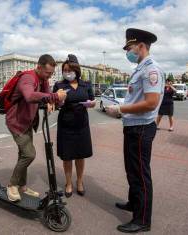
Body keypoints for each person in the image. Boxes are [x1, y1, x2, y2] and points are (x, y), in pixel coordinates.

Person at [106, 28, 164, 233]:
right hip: (133, 127)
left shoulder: (151, 70)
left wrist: (121, 108)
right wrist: (123, 111)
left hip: (141, 129)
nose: (128, 52)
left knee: (140, 174)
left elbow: (150, 103)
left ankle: (142, 219)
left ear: (141, 46)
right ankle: (134, 203)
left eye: (130, 47)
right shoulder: (140, 68)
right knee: (132, 170)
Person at [6, 54, 67, 202]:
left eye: (52, 73)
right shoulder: (28, 78)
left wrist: (55, 103)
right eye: (48, 73)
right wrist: (53, 97)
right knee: (29, 154)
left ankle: (22, 186)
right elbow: (29, 96)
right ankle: (12, 185)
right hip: (17, 123)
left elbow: (45, 97)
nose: (49, 76)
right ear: (39, 67)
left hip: (27, 122)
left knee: (23, 155)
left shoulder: (43, 80)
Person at [52, 54, 96, 198]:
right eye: (65, 70)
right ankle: (69, 183)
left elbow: (92, 100)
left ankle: (80, 182)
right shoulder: (59, 85)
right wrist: (59, 102)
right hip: (66, 125)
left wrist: (91, 104)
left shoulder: (86, 84)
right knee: (67, 156)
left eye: (70, 70)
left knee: (80, 155)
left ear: (77, 71)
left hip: (82, 125)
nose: (67, 72)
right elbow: (53, 103)